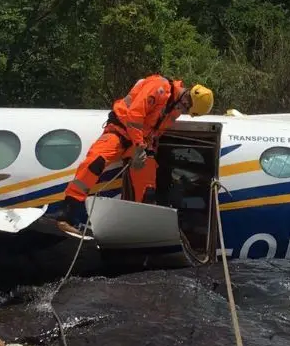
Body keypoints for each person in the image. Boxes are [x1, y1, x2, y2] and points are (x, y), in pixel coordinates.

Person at [56, 76, 214, 234]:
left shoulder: (175, 109)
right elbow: (134, 115)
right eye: (186, 105)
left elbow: (156, 131)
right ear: (187, 95)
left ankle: (138, 229)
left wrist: (147, 150)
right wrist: (139, 147)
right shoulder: (159, 87)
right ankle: (66, 214)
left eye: (187, 109)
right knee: (95, 162)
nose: (184, 110)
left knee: (148, 188)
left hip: (140, 143)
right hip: (120, 132)